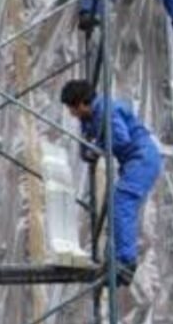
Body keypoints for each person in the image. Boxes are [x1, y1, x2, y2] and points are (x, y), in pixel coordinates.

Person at [60, 79, 161, 285]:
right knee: (117, 205)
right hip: (133, 161)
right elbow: (88, 142)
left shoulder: (107, 110)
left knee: (122, 201)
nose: (71, 114)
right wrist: (89, 148)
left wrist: (97, 147)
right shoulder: (91, 115)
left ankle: (125, 263)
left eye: (72, 109)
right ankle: (115, 259)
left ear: (81, 104)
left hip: (142, 158)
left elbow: (120, 139)